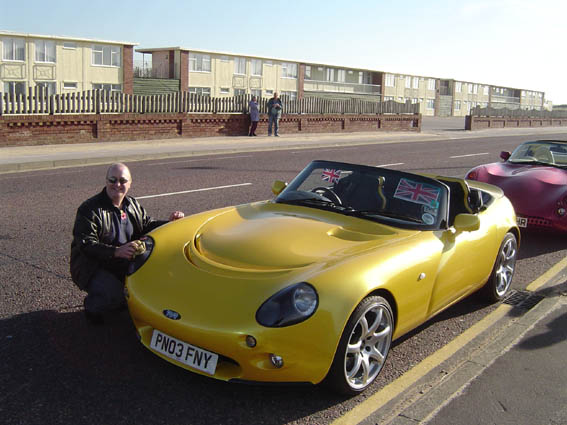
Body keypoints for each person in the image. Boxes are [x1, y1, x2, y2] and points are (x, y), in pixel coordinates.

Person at [70, 163, 184, 325]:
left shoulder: (132, 204)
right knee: (116, 295)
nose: (117, 184)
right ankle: (93, 306)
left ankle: (121, 298)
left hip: (122, 260)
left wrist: (169, 223)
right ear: (106, 181)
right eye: (112, 180)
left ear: (129, 184)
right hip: (91, 266)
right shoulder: (90, 209)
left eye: (123, 181)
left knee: (154, 281)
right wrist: (116, 251)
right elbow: (86, 244)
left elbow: (146, 225)